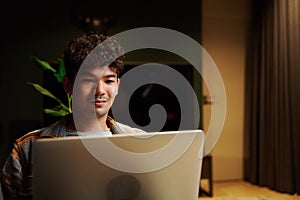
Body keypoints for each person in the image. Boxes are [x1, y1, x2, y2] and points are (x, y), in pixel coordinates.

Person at [0, 32, 144, 199]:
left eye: (109, 81)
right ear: (67, 85)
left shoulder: (140, 144)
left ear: (117, 86)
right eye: (88, 80)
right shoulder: (28, 148)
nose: (100, 91)